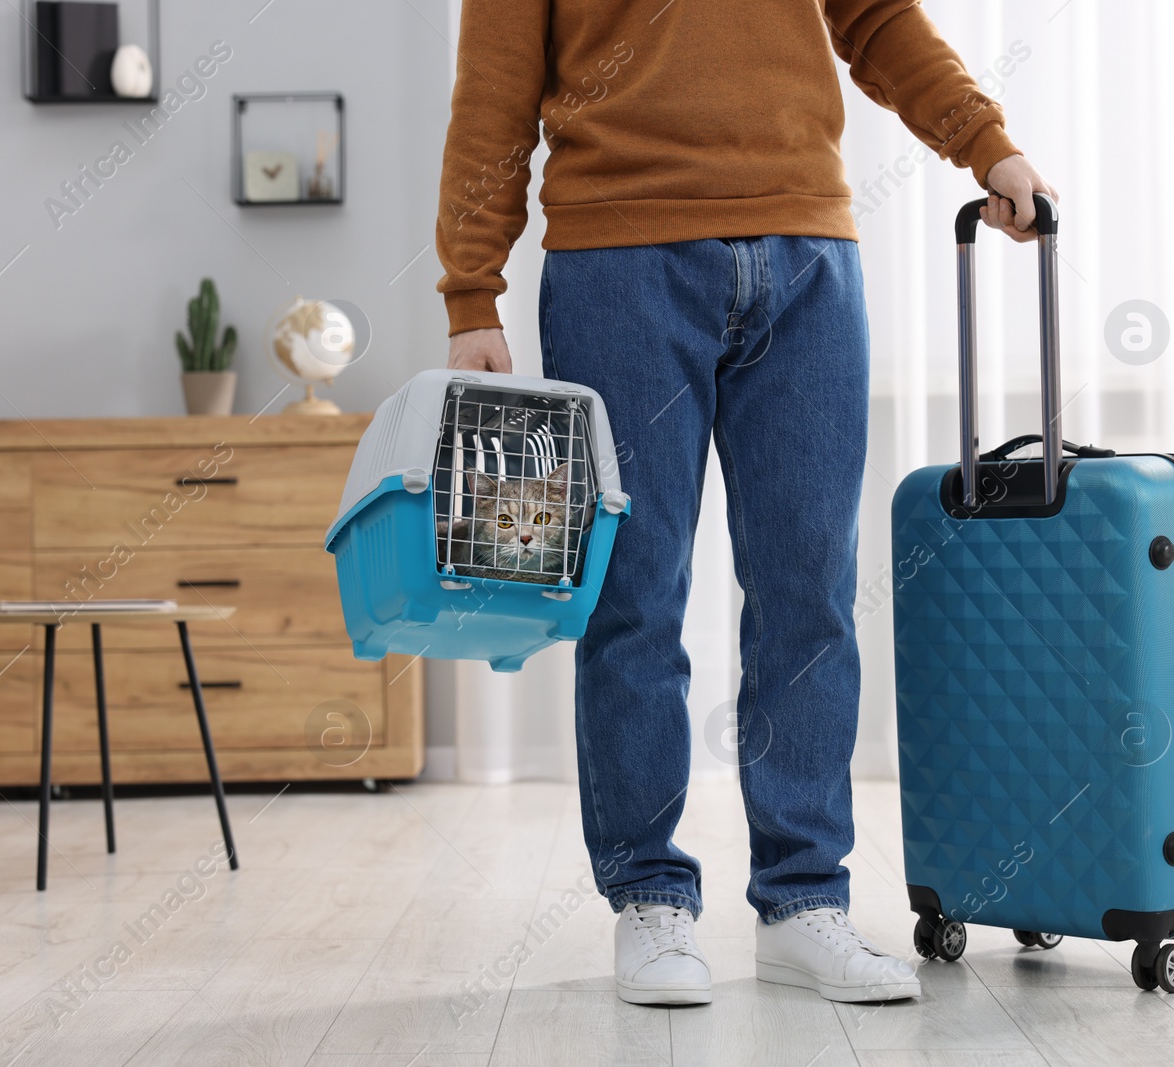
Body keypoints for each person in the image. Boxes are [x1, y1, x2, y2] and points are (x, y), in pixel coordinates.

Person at [435, 0, 1056, 1006]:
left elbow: (879, 19)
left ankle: (803, 900)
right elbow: (494, 88)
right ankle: (649, 898)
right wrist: (472, 292)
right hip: (617, 262)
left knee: (808, 591)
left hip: (808, 249)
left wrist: (987, 146)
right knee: (634, 595)